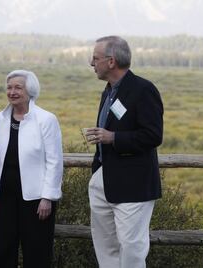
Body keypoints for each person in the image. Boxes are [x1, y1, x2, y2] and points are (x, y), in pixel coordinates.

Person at [84, 36, 163, 268]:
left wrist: (113, 137)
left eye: (95, 58)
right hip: (103, 181)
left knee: (131, 247)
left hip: (134, 186)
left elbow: (153, 136)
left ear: (111, 61)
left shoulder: (143, 90)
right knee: (105, 246)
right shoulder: (108, 91)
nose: (91, 63)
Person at [0, 70, 63, 268]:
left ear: (30, 91)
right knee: (3, 249)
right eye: (9, 87)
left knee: (37, 251)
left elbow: (54, 161)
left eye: (18, 87)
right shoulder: (0, 119)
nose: (12, 92)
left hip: (36, 199)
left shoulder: (46, 119)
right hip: (4, 196)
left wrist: (48, 197)